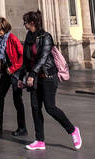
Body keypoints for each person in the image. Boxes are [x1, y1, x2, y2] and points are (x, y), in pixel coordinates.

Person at [18, 10, 80, 151]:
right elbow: (26, 60)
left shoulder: (46, 37)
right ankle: (40, 140)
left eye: (25, 22)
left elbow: (43, 58)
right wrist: (22, 77)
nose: (24, 25)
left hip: (48, 77)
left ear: (32, 23)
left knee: (50, 108)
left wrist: (32, 74)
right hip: (34, 79)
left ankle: (73, 130)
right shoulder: (29, 36)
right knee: (35, 108)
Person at [0, 17, 27, 136]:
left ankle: (22, 128)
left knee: (17, 100)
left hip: (15, 72)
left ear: (4, 27)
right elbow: (3, 56)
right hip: (6, 72)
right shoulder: (0, 39)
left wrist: (13, 68)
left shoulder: (12, 38)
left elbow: (22, 55)